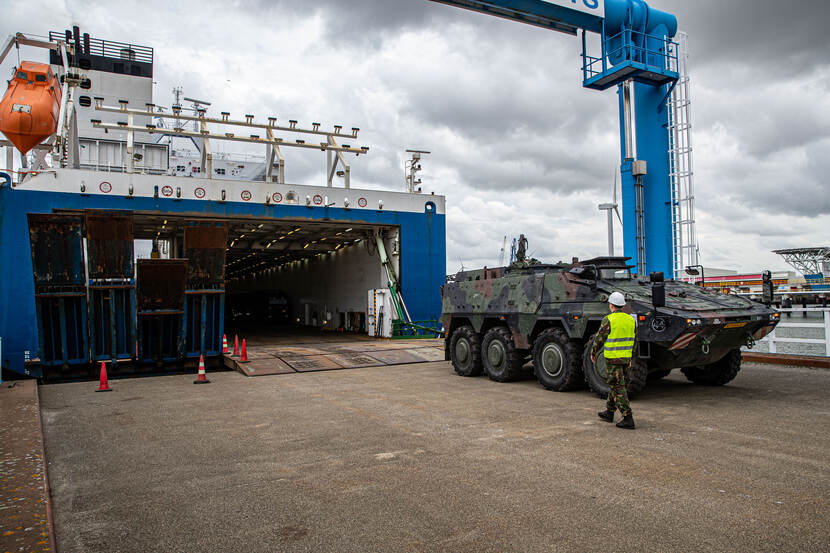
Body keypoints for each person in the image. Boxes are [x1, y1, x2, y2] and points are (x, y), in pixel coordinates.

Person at [591, 291, 636, 429]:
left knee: (617, 387)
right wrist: (630, 357)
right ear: (622, 305)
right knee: (615, 384)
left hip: (613, 359)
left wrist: (593, 352)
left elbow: (599, 338)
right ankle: (609, 412)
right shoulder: (631, 320)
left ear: (611, 306)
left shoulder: (609, 320)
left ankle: (628, 417)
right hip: (625, 358)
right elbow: (634, 340)